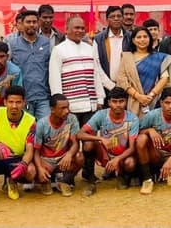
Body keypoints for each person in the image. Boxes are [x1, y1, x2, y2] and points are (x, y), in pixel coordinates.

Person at [49, 16, 105, 188]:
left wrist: (100, 98)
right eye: (76, 28)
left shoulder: (90, 48)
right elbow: (54, 78)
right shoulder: (59, 50)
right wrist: (60, 105)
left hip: (90, 104)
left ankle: (89, 173)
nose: (80, 31)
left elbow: (96, 74)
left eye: (82, 28)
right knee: (69, 143)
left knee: (90, 143)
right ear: (66, 30)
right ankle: (69, 176)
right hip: (70, 106)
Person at [76, 87, 140, 195]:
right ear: (109, 102)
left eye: (121, 101)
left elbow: (132, 148)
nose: (118, 105)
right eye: (114, 101)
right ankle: (91, 181)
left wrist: (118, 159)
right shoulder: (101, 115)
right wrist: (101, 138)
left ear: (126, 102)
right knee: (88, 144)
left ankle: (123, 176)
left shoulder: (132, 119)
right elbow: (80, 134)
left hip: (123, 156)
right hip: (105, 154)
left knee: (130, 163)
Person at [117, 27, 171, 117]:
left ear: (149, 39)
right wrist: (138, 96)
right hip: (132, 100)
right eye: (139, 37)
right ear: (133, 40)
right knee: (133, 124)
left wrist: (150, 96)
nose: (142, 40)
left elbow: (165, 78)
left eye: (145, 37)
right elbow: (122, 80)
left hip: (153, 100)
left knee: (153, 123)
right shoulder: (126, 57)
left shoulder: (158, 57)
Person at [34, 94, 83, 197]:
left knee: (79, 157)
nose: (67, 111)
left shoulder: (72, 119)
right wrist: (39, 168)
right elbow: (36, 151)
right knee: (35, 169)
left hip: (63, 158)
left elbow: (75, 143)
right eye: (63, 108)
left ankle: (65, 182)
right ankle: (45, 181)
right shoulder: (41, 124)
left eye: (67, 107)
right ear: (52, 109)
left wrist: (69, 154)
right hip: (46, 160)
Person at [8, 10, 52, 120]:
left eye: (34, 22)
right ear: (22, 24)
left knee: (44, 127)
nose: (31, 25)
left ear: (38, 24)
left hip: (43, 97)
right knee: (26, 128)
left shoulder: (47, 43)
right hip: (23, 98)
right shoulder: (13, 44)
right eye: (28, 22)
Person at [93, 6, 131, 99]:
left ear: (123, 18)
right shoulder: (98, 39)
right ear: (107, 20)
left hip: (128, 87)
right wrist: (110, 85)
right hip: (106, 87)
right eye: (112, 16)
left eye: (119, 16)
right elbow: (96, 64)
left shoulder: (130, 38)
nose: (116, 18)